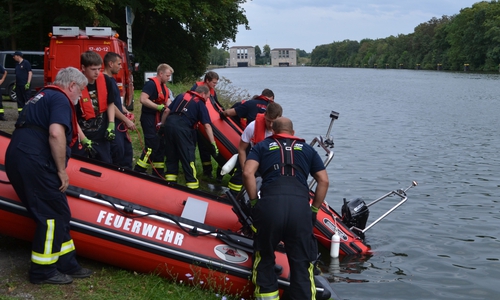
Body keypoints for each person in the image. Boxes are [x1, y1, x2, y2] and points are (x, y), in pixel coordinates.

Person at [5, 67, 93, 285]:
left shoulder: (41, 95)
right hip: (34, 160)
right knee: (52, 215)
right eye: (80, 90)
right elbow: (55, 133)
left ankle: (67, 262)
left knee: (59, 210)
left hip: (18, 155)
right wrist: (61, 171)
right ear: (72, 85)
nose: (80, 96)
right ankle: (42, 271)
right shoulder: (61, 99)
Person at [242, 117, 329, 300]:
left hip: (270, 205)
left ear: (273, 130)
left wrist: (254, 203)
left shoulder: (262, 146)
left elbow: (248, 172)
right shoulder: (308, 149)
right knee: (302, 264)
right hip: (299, 207)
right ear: (293, 132)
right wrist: (313, 210)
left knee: (265, 257)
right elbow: (324, 181)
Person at [162, 85, 218, 189]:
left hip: (169, 124)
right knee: (188, 156)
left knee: (171, 155)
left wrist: (162, 125)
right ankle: (192, 185)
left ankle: (170, 184)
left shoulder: (181, 96)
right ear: (203, 94)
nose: (207, 99)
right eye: (207, 97)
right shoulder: (200, 103)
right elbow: (207, 125)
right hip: (183, 128)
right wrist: (213, 143)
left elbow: (166, 111)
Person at [227, 102, 282, 196]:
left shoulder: (283, 130)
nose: (271, 125)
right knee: (241, 173)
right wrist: (245, 168)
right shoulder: (253, 126)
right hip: (256, 159)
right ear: (265, 115)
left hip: (272, 162)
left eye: (274, 122)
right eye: (268, 121)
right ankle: (233, 195)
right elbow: (241, 149)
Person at [72, 51, 116, 163]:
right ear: (83, 68)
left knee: (106, 165)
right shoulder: (75, 86)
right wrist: (83, 139)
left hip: (101, 135)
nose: (97, 72)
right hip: (82, 135)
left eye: (99, 69)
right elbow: (71, 116)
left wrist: (111, 124)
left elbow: (110, 103)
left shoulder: (106, 80)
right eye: (93, 69)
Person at [133, 63, 173, 177]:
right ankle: (139, 169)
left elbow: (167, 100)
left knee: (160, 144)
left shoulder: (164, 87)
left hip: (158, 119)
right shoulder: (151, 85)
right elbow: (143, 99)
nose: (169, 78)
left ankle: (158, 172)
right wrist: (158, 107)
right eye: (167, 75)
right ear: (161, 74)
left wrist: (170, 107)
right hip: (149, 118)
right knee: (151, 145)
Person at [103, 52, 136, 169]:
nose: (121, 66)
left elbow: (116, 102)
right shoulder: (105, 81)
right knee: (118, 152)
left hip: (119, 123)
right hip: (113, 123)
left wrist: (126, 110)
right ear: (110, 64)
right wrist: (126, 120)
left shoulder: (112, 80)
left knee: (127, 151)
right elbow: (110, 105)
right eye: (119, 64)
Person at [190, 71, 220, 178]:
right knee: (192, 147)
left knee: (205, 149)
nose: (214, 85)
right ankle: (190, 170)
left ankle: (207, 172)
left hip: (205, 122)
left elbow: (216, 106)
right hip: (197, 123)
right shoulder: (196, 89)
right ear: (207, 81)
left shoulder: (212, 92)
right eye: (213, 83)